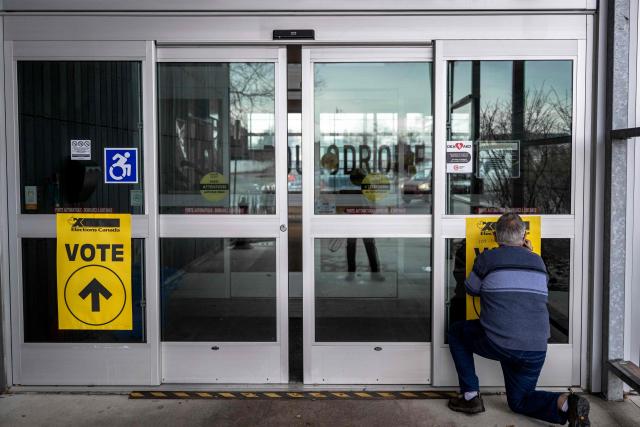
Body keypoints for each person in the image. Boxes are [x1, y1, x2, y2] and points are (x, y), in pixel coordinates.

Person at [447, 213, 590, 426]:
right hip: (535, 348)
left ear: (496, 237)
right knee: (519, 401)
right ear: (524, 236)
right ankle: (566, 404)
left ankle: (470, 397)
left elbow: (470, 289)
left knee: (456, 332)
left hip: (500, 342)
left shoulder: (488, 258)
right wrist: (528, 253)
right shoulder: (538, 262)